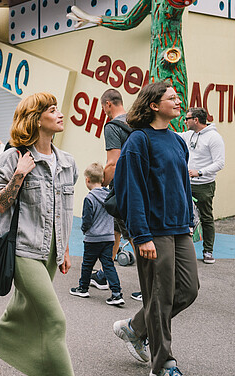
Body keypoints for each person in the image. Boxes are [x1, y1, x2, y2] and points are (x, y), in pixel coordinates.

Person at [0, 92, 77, 376]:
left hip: (51, 250)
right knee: (54, 320)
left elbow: (63, 210)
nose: (60, 114)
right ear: (36, 119)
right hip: (22, 250)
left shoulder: (68, 162)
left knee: (21, 309)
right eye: (52, 110)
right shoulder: (14, 157)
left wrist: (65, 248)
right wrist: (18, 174)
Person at [112, 82, 199, 376]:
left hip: (178, 228)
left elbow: (183, 185)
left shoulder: (177, 141)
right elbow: (131, 191)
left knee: (188, 290)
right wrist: (141, 235)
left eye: (177, 97)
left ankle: (136, 327)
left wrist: (188, 222)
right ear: (153, 105)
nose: (178, 101)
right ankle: (163, 364)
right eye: (171, 98)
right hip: (153, 231)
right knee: (159, 298)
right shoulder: (138, 140)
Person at [98, 88, 142, 302]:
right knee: (116, 230)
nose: (104, 112)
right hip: (140, 182)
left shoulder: (112, 127)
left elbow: (112, 163)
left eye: (103, 108)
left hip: (123, 188)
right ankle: (106, 274)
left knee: (134, 235)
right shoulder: (136, 121)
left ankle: (150, 283)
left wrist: (102, 182)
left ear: (108, 104)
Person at [69, 162, 124, 306]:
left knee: (87, 264)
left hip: (93, 238)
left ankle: (83, 288)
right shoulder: (109, 196)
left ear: (87, 180)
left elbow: (87, 219)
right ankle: (117, 293)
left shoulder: (89, 198)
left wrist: (84, 230)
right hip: (108, 238)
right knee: (108, 265)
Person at [179, 107, 225, 264]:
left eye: (187, 119)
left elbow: (220, 163)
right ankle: (184, 251)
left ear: (196, 120)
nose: (185, 121)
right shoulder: (189, 135)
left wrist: (200, 172)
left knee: (206, 217)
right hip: (187, 183)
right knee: (184, 216)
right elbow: (174, 136)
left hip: (204, 185)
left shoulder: (214, 138)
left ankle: (208, 251)